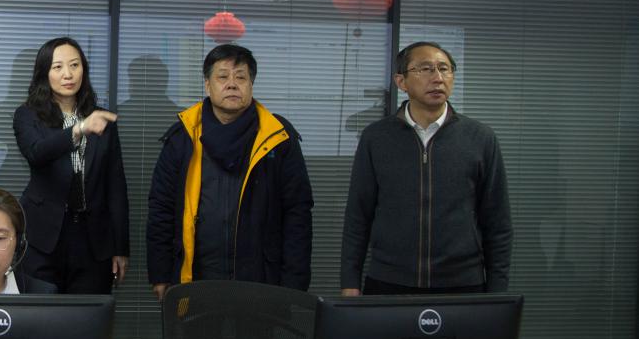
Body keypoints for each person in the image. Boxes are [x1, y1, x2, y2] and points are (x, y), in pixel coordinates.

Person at [340, 41, 512, 295]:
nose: (438, 78)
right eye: (425, 69)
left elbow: (497, 221)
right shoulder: (376, 138)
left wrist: (497, 290)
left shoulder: (479, 138)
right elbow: (358, 214)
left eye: (444, 69)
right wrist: (350, 282)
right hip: (389, 280)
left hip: (463, 282)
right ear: (401, 81)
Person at [147, 43, 313, 301]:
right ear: (207, 85)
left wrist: (294, 283)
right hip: (196, 278)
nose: (232, 84)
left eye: (241, 77)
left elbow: (297, 213)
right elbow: (161, 208)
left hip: (262, 280)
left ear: (251, 84)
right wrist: (160, 274)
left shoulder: (278, 137)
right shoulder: (183, 137)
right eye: (222, 76)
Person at [12, 37, 129, 294]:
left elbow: (115, 186)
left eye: (75, 65)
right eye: (58, 67)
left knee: (88, 314)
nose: (68, 74)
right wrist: (79, 129)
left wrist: (120, 247)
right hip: (44, 237)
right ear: (44, 73)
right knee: (42, 314)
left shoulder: (100, 117)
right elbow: (36, 152)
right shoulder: (27, 115)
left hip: (92, 239)